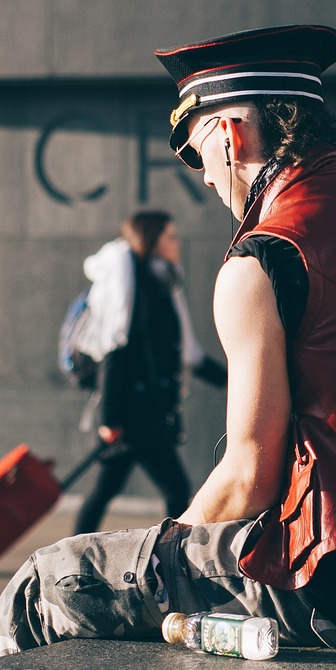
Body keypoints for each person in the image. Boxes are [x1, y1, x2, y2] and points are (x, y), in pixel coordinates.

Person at [0, 24, 336, 657]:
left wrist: (160, 565)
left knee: (50, 581)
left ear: (230, 133)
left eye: (195, 152)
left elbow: (249, 474)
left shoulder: (264, 258)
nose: (201, 177)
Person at [72, 210, 227, 535]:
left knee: (108, 491)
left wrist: (236, 380)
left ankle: (73, 554)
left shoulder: (163, 283)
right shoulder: (137, 291)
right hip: (135, 417)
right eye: (170, 237)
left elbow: (188, 355)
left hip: (141, 415)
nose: (177, 243)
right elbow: (117, 353)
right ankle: (176, 556)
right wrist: (109, 420)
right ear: (153, 242)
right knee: (174, 489)